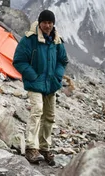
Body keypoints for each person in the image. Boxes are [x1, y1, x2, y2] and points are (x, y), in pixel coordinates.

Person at [13, 9, 68, 166]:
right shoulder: (29, 39)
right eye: (45, 22)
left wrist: (57, 76)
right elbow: (18, 60)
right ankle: (31, 147)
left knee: (49, 116)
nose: (47, 25)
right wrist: (32, 75)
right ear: (40, 22)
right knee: (37, 111)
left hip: (51, 84)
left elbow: (63, 60)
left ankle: (44, 147)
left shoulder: (57, 41)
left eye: (50, 22)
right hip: (35, 83)